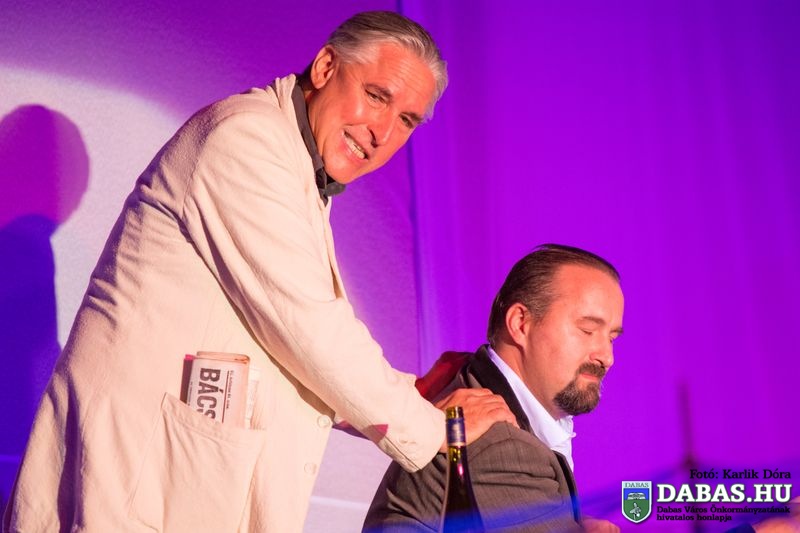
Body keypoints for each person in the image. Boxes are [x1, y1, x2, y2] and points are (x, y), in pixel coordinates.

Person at [3, 11, 515, 533]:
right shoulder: (245, 140)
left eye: (406, 120)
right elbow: (310, 329)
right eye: (377, 96)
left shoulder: (297, 168)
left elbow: (288, 346)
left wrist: (415, 392)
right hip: (129, 493)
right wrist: (436, 428)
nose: (382, 132)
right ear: (325, 67)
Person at [364, 244, 626, 532]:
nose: (607, 357)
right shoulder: (502, 446)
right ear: (520, 323)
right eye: (587, 330)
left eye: (611, 338)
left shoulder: (472, 382)